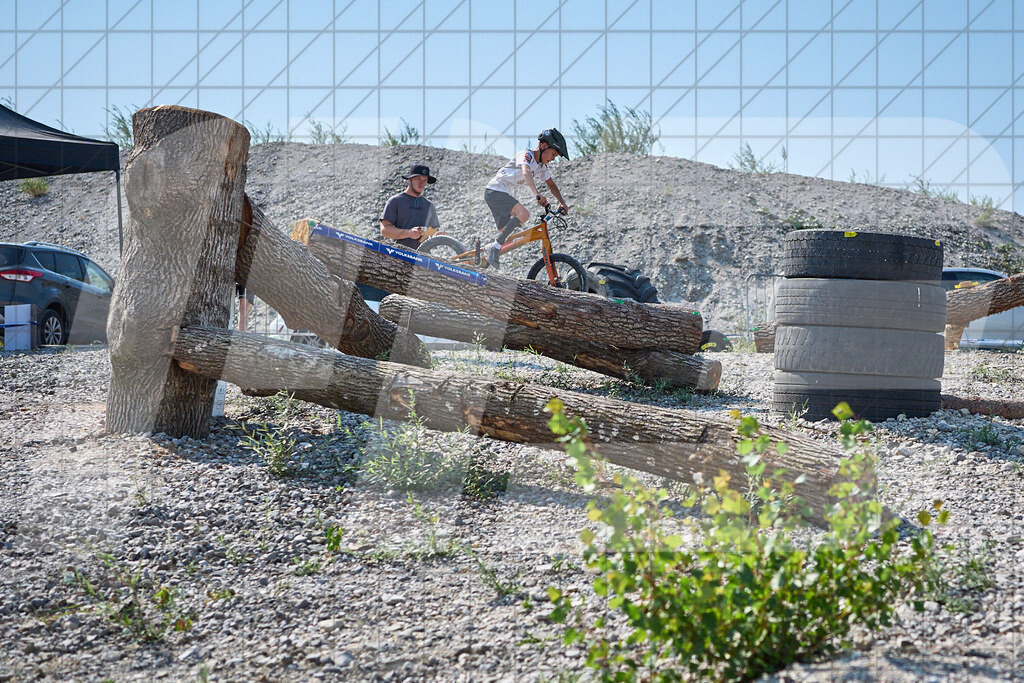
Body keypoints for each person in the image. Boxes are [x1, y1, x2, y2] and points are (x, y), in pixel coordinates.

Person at [483, 128, 570, 267]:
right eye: (552, 154)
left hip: (502, 193)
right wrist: (536, 194)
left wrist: (562, 202)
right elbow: (526, 171)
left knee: (506, 235)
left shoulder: (542, 167)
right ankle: (493, 248)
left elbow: (552, 185)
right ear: (543, 146)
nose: (552, 159)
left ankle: (484, 256)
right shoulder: (527, 154)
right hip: (495, 191)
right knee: (523, 214)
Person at [380, 164, 441, 249]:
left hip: (423, 257)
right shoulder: (395, 201)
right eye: (418, 178)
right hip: (398, 256)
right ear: (410, 179)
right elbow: (384, 231)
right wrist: (409, 233)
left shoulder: (429, 206)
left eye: (425, 180)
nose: (421, 183)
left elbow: (432, 232)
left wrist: (436, 236)